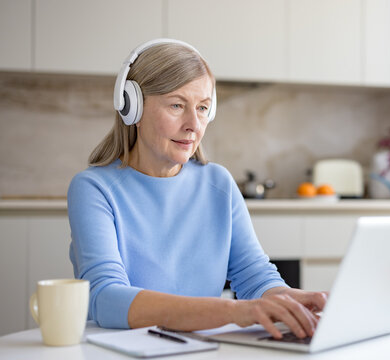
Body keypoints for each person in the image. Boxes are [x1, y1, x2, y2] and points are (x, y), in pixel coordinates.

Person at [67, 38, 327, 340]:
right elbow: (105, 298)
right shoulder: (94, 189)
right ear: (132, 107)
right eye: (177, 105)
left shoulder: (218, 183)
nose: (194, 124)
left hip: (198, 349)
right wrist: (233, 312)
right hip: (121, 349)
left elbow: (255, 277)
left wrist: (291, 301)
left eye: (203, 108)